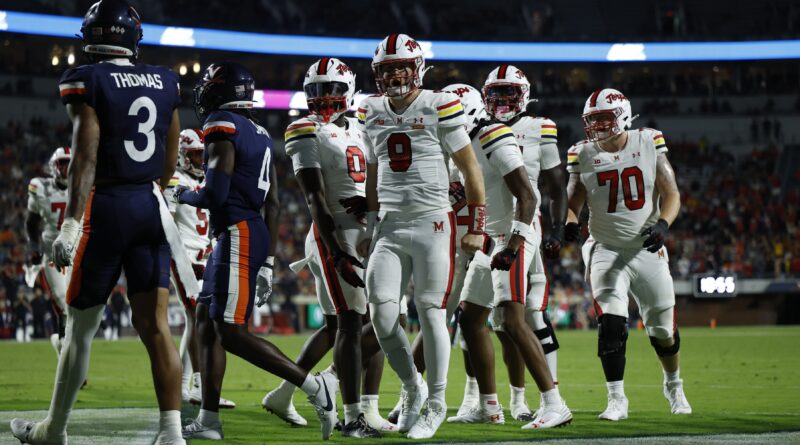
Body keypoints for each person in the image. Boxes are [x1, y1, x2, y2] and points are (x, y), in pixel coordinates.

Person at [11, 1, 195, 443]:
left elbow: (86, 156)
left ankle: (53, 430)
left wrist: (72, 221)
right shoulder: (165, 80)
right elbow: (169, 159)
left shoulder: (88, 79)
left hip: (109, 207)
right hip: (150, 207)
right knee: (156, 327)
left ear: (92, 37)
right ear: (132, 36)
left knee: (80, 327)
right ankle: (172, 433)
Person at [178, 61, 338, 441]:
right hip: (247, 232)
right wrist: (266, 259)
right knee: (205, 322)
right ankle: (210, 419)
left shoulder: (222, 123)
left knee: (230, 332)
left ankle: (314, 387)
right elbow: (275, 203)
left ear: (221, 91)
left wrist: (182, 194)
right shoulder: (261, 132)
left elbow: (214, 192)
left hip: (236, 231)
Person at [356, 33, 486, 439]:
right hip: (391, 226)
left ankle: (436, 403)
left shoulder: (439, 104)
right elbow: (375, 170)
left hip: (433, 222)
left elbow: (470, 170)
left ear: (417, 68)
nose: (395, 75)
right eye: (387, 68)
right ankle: (413, 386)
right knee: (380, 313)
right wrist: (371, 219)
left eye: (401, 67)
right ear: (377, 74)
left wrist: (477, 227)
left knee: (431, 312)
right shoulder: (369, 110)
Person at [261, 57, 380, 438]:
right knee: (356, 322)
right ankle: (352, 415)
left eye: (332, 89)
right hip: (335, 234)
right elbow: (315, 198)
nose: (325, 97)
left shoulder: (362, 124)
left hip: (363, 233)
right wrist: (336, 250)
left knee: (339, 326)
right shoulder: (304, 128)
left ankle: (283, 393)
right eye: (317, 90)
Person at [442, 84, 572, 430]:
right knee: (469, 318)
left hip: (512, 235)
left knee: (513, 319)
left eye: (450, 115)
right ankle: (488, 405)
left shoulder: (493, 136)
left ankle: (554, 403)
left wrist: (514, 245)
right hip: (490, 239)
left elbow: (528, 197)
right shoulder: (463, 143)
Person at [564, 88, 691, 421]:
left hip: (645, 248)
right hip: (605, 248)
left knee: (662, 330)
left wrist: (664, 223)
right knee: (611, 323)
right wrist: (569, 221)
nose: (597, 127)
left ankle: (673, 384)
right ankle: (616, 398)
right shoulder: (582, 153)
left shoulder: (648, 141)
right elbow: (573, 199)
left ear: (622, 115)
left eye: (604, 119)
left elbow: (672, 192)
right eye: (592, 121)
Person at [482, 64, 567, 419]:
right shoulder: (480, 128)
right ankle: (510, 400)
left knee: (528, 312)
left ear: (524, 95)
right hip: (489, 228)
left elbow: (556, 186)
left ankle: (553, 396)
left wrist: (559, 229)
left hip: (522, 228)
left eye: (508, 92)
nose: (501, 100)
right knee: (496, 321)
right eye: (495, 93)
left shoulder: (539, 127)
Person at [163, 129, 235, 409]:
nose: (199, 158)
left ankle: (186, 387)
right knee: (198, 315)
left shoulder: (207, 180)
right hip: (182, 256)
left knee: (198, 320)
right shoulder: (174, 180)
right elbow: (167, 224)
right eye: (193, 153)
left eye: (201, 153)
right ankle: (203, 389)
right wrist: (185, 258)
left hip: (204, 257)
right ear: (182, 154)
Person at [25, 147, 71, 355]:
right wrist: (34, 248)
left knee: (78, 306)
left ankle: (62, 343)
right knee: (63, 299)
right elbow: (31, 223)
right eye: (62, 163)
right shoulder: (41, 188)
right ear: (54, 166)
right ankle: (69, 355)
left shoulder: (82, 186)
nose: (67, 167)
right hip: (52, 252)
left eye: (70, 162)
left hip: (76, 250)